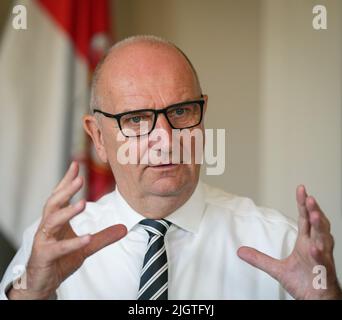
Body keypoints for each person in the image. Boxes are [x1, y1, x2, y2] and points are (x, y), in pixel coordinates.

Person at [0, 35, 341, 300]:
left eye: (180, 112)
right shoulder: (50, 246)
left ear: (202, 113)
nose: (165, 139)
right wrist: (33, 294)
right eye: (135, 119)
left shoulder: (279, 244)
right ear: (98, 138)